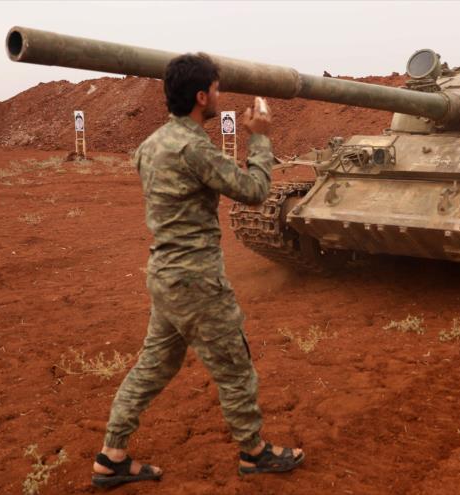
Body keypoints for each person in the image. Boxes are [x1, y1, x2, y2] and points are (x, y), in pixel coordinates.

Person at [90, 53, 303, 489]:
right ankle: (254, 453)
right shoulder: (193, 149)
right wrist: (260, 138)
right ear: (202, 96)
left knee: (153, 365)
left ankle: (111, 456)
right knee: (234, 366)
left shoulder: (150, 145)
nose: (221, 97)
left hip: (166, 274)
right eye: (218, 89)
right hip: (197, 280)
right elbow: (256, 191)